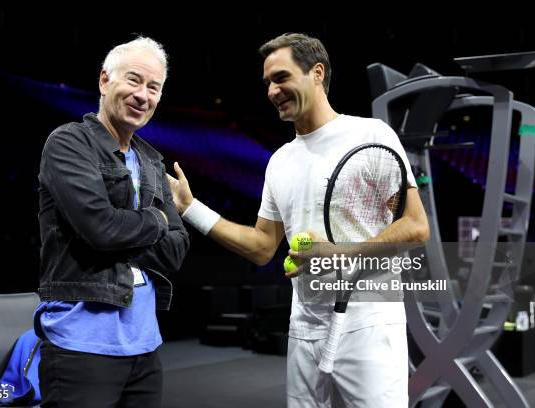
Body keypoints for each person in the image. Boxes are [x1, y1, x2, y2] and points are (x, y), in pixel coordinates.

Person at [168, 33, 429, 407]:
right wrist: (191, 209)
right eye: (268, 83)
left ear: (317, 73)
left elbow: (416, 226)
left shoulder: (370, 135)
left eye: (281, 77)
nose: (273, 90)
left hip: (369, 323)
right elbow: (262, 248)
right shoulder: (280, 162)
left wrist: (336, 254)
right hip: (305, 326)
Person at [35, 35, 189, 408]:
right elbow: (100, 228)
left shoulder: (152, 160)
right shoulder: (69, 143)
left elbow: (176, 250)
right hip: (78, 345)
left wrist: (129, 229)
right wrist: (155, 218)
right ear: (105, 81)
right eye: (134, 80)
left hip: (146, 347)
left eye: (154, 88)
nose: (143, 95)